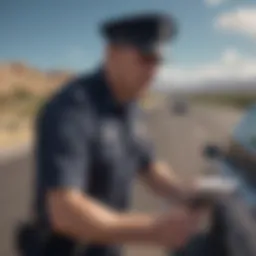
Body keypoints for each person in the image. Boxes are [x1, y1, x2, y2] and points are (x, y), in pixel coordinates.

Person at [19, 12, 208, 256]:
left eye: (158, 61)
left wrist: (185, 192)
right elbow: (64, 210)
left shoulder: (130, 107)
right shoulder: (72, 109)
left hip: (107, 247)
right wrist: (154, 230)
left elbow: (148, 165)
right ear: (112, 53)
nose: (153, 71)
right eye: (145, 58)